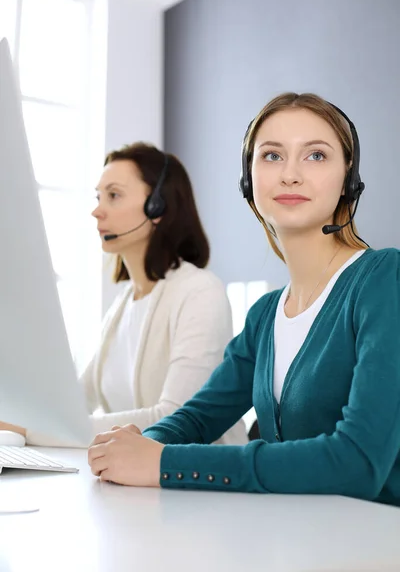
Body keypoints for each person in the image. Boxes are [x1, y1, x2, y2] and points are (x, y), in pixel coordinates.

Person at [88, 93, 400, 507]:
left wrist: (163, 463)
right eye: (271, 156)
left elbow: (357, 463)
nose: (290, 174)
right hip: (293, 547)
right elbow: (196, 418)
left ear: (349, 179)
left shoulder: (382, 280)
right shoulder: (265, 316)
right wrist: (142, 446)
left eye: (316, 156)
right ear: (248, 181)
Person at [1, 142, 247, 446]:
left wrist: (33, 429)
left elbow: (173, 418)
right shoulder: (123, 303)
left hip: (203, 486)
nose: (96, 210)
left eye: (114, 196)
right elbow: (76, 404)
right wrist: (23, 416)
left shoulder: (199, 292)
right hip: (141, 486)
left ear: (157, 207)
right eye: (98, 197)